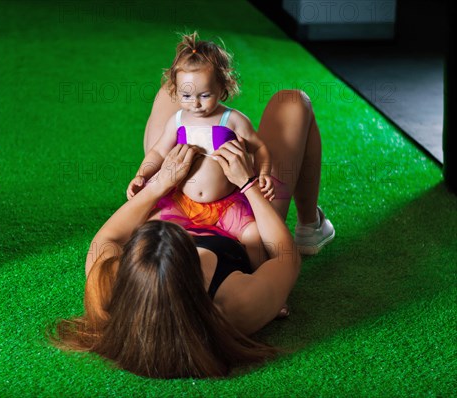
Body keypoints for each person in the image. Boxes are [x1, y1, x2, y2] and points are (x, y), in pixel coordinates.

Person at [50, 87, 336, 378]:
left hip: (175, 195)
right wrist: (247, 183)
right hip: (243, 217)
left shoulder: (107, 290)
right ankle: (309, 225)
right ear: (192, 265)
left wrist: (161, 183)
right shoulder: (235, 305)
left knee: (173, 93)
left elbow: (109, 237)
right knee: (292, 101)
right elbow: (285, 258)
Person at [126, 32, 280, 268]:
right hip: (183, 202)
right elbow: (157, 152)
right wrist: (142, 174)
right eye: (186, 95)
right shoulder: (177, 120)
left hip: (227, 204)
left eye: (204, 95)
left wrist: (264, 173)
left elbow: (258, 147)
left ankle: (260, 279)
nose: (195, 104)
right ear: (176, 91)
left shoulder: (232, 119)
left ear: (222, 88)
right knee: (150, 229)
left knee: (253, 237)